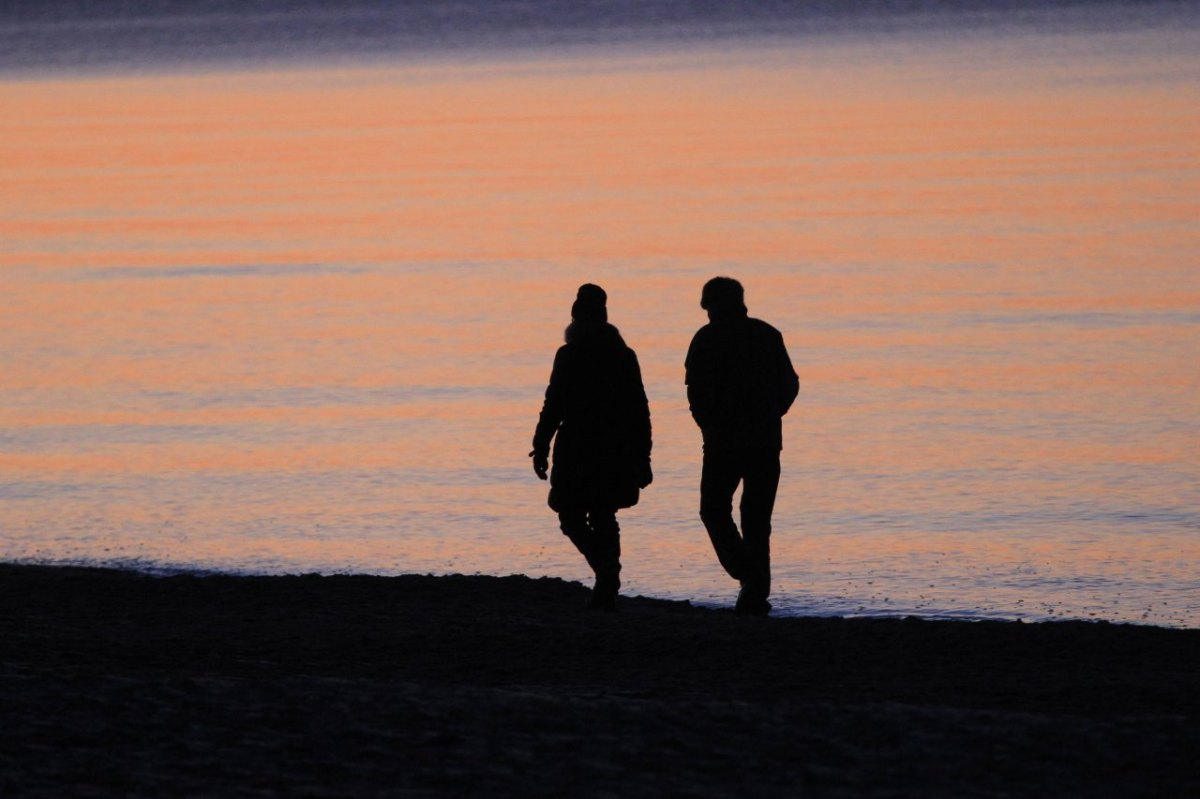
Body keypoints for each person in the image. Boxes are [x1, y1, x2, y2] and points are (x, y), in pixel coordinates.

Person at [531, 284, 653, 610]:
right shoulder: (621, 355)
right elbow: (639, 410)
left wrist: (541, 444)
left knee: (580, 516)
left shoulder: (573, 355)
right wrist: (643, 456)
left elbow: (553, 404)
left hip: (585, 446)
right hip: (607, 447)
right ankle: (607, 576)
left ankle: (606, 580)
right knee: (597, 514)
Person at [685, 277, 798, 616]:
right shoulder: (767, 334)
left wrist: (709, 424)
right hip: (764, 440)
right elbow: (789, 384)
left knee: (714, 510)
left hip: (723, 441)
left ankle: (749, 578)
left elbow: (695, 392)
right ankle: (754, 588)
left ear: (711, 305)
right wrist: (772, 413)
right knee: (756, 517)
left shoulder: (706, 339)